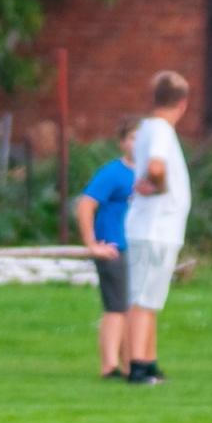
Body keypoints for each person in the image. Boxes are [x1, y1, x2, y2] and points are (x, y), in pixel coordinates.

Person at [126, 72, 192, 385]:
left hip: (157, 228)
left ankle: (149, 361)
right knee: (143, 299)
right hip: (155, 227)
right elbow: (156, 168)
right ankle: (137, 366)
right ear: (183, 104)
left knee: (152, 298)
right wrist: (160, 187)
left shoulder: (148, 129)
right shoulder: (162, 131)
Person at [76, 117, 139, 378]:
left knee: (132, 309)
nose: (138, 144)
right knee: (116, 308)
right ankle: (109, 366)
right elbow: (85, 204)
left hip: (138, 249)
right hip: (114, 247)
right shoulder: (114, 173)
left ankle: (130, 364)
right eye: (133, 138)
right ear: (122, 142)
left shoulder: (149, 174)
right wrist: (92, 243)